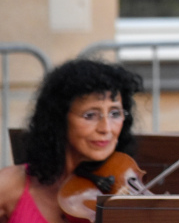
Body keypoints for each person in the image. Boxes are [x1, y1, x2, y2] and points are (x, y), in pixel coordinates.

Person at [0, 58, 143, 223]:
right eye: (90, 115)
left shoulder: (125, 191)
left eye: (115, 114)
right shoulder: (11, 185)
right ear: (59, 119)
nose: (106, 128)